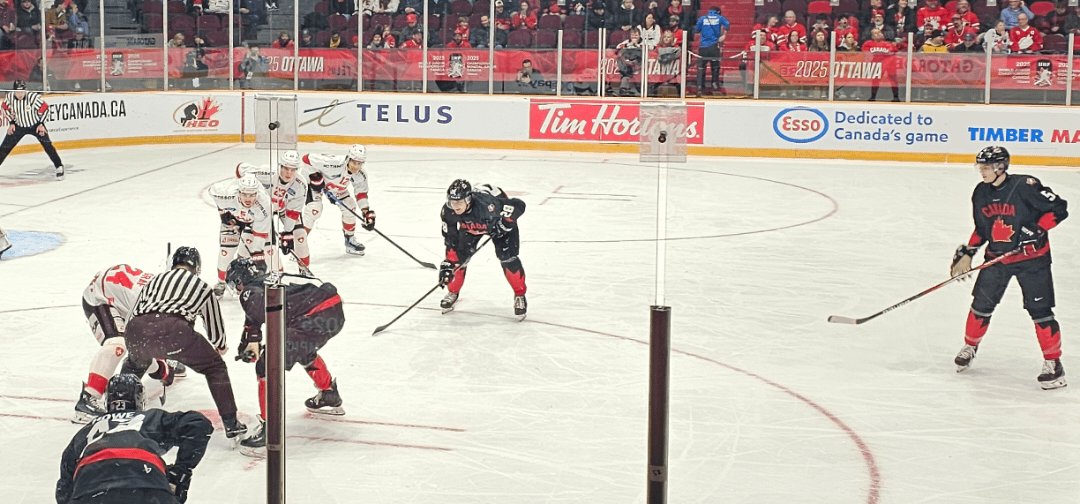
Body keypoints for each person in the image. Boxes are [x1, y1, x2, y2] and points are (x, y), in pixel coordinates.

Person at [950, 146, 1068, 389]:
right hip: (998, 258)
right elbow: (983, 229)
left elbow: (1059, 208)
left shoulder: (1025, 185)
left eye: (985, 167)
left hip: (1033, 260)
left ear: (1000, 167)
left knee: (1041, 312)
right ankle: (970, 346)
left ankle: (1053, 364)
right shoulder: (981, 193)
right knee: (980, 307)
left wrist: (1037, 229)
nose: (980, 171)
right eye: (979, 166)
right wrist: (969, 251)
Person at [120, 247, 249, 439]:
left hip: (137, 330)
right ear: (196, 267)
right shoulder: (201, 285)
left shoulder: (154, 281)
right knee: (215, 368)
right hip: (174, 331)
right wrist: (220, 345)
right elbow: (214, 327)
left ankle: (117, 413)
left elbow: (131, 316)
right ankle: (231, 423)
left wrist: (143, 345)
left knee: (135, 365)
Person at [224, 257, 346, 455]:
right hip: (333, 310)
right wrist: (248, 340)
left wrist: (251, 343)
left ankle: (270, 429)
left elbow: (254, 317)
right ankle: (329, 393)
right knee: (301, 349)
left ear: (239, 280)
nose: (236, 290)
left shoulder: (249, 290)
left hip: (313, 315)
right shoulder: (271, 278)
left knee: (266, 366)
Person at [56, 374, 213, 504]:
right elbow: (198, 424)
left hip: (90, 483)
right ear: (139, 400)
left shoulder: (86, 431)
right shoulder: (150, 417)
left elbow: (64, 488)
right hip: (146, 481)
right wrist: (181, 471)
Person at [74, 264, 183, 424]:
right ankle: (88, 399)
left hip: (116, 296)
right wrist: (162, 370)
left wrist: (162, 367)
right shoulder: (149, 305)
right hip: (98, 298)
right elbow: (139, 353)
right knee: (117, 345)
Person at [439, 180, 527, 318]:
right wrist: (449, 264)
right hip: (471, 227)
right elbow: (451, 240)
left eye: (459, 202)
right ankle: (453, 292)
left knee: (508, 257)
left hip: (496, 221)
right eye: (452, 202)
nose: (455, 206)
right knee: (459, 259)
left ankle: (520, 295)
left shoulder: (488, 205)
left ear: (468, 200)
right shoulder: (448, 211)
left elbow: (518, 205)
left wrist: (504, 224)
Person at [235, 150, 314, 276]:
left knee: (300, 235)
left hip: (283, 209)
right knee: (249, 239)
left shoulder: (301, 184)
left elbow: (293, 212)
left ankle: (304, 270)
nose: (289, 173)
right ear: (280, 166)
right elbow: (240, 169)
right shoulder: (266, 173)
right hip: (260, 210)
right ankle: (239, 273)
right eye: (286, 168)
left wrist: (287, 232)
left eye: (293, 170)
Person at [301, 144, 375, 256]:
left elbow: (361, 193)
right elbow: (306, 158)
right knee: (314, 210)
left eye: (359, 163)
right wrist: (315, 176)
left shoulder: (360, 174)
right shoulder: (334, 162)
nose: (356, 166)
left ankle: (349, 240)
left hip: (335, 188)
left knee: (350, 206)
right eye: (354, 162)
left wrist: (366, 212)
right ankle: (298, 244)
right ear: (348, 159)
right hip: (313, 184)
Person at [210, 173, 273, 294]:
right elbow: (212, 191)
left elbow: (260, 235)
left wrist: (258, 257)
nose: (248, 199)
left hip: (253, 222)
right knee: (226, 253)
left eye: (251, 195)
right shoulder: (226, 194)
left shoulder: (265, 205)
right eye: (244, 194)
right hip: (233, 220)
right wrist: (223, 213)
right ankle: (221, 282)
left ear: (257, 193)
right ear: (239, 192)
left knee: (248, 251)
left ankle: (244, 280)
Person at [0, 80, 64, 180]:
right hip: (19, 126)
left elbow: (45, 108)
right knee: (4, 147)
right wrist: (11, 123)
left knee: (47, 145)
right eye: (17, 92)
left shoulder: (32, 97)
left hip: (35, 125)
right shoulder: (10, 98)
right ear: (13, 91)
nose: (20, 94)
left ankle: (59, 166)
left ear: (25, 91)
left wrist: (41, 124)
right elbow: (4, 107)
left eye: (22, 92)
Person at [694, 5, 728, 97]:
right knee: (715, 67)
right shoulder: (720, 18)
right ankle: (715, 86)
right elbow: (727, 25)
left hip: (703, 47)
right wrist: (724, 35)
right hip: (714, 46)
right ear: (719, 12)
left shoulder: (702, 18)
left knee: (701, 67)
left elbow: (696, 29)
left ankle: (700, 87)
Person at [863, 28, 900, 101]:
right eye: (876, 33)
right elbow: (865, 52)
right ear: (872, 36)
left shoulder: (887, 44)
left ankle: (896, 97)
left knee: (893, 79)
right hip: (877, 64)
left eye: (879, 32)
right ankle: (873, 96)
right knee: (875, 80)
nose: (879, 34)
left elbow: (893, 51)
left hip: (889, 63)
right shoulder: (868, 44)